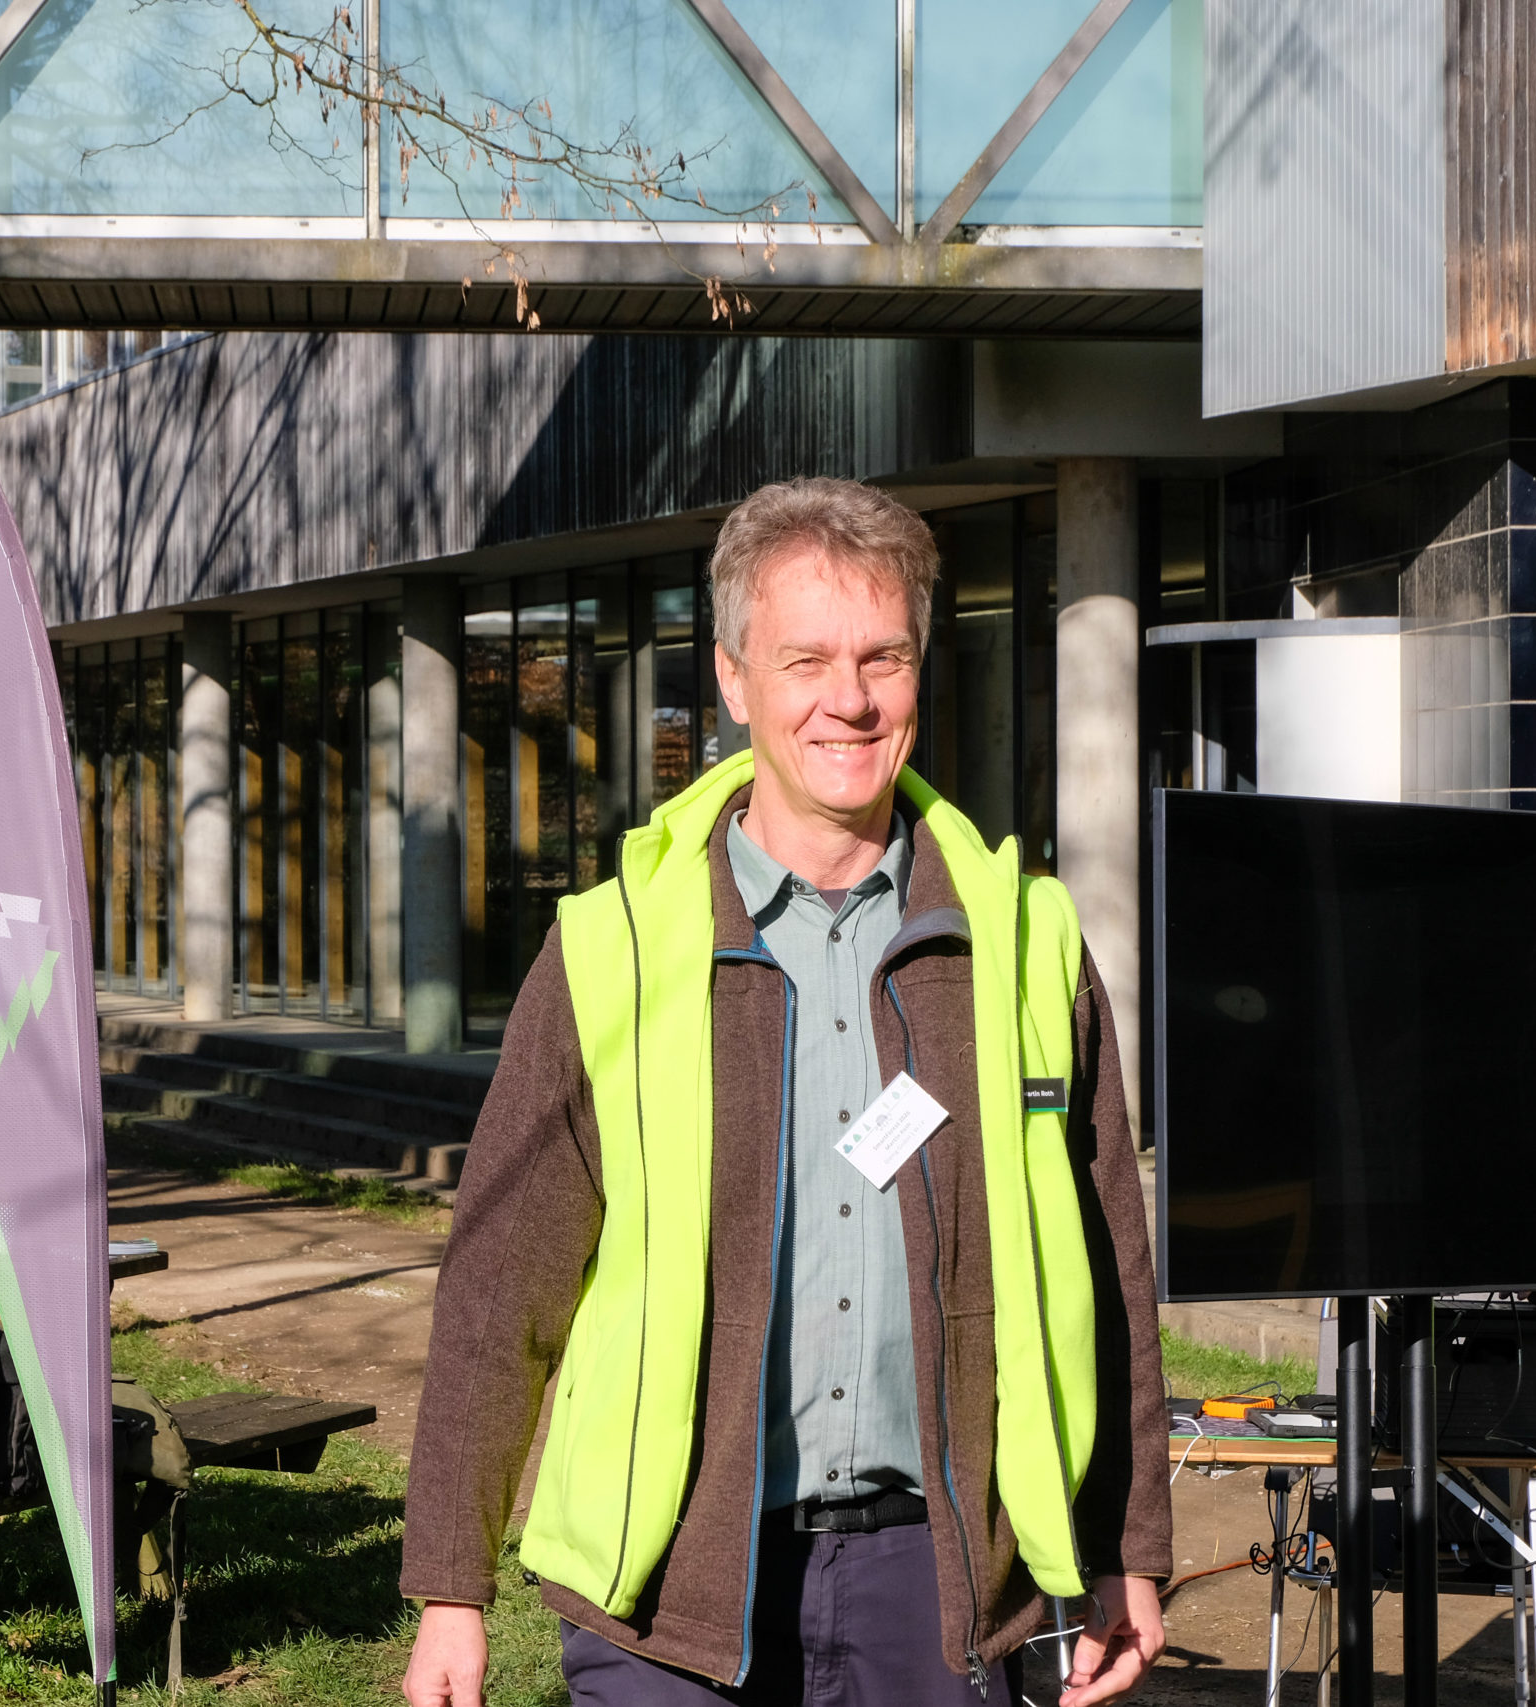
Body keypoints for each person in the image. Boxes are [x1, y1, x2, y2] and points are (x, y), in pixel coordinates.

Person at [398, 478, 1170, 1707]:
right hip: (671, 1594)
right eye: (803, 658)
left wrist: (1130, 1549)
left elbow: (1111, 1269)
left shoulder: (1024, 944)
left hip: (945, 1577)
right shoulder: (616, 947)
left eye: (883, 657)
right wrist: (451, 1586)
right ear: (734, 680)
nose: (848, 699)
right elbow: (503, 1284)